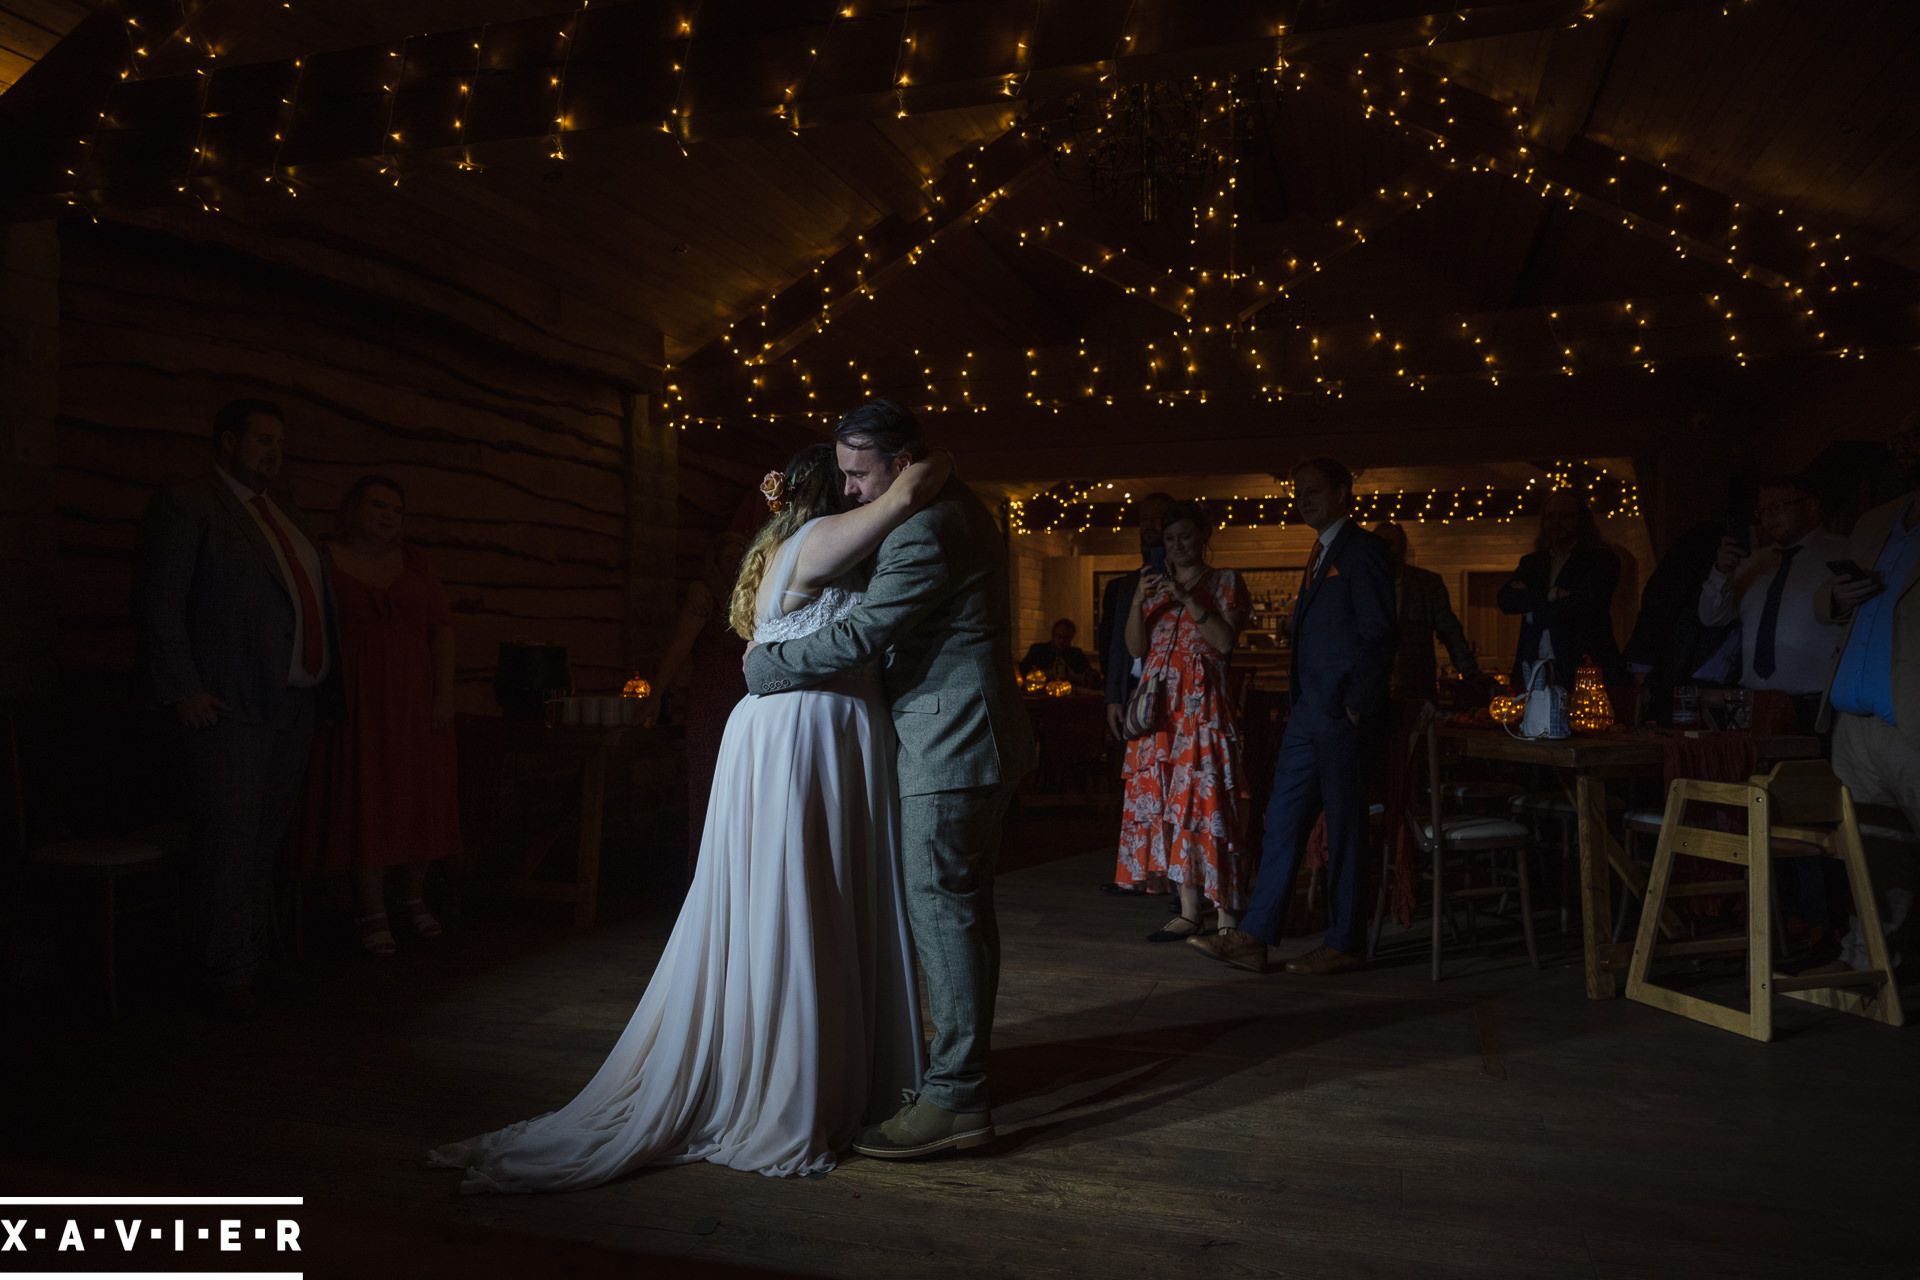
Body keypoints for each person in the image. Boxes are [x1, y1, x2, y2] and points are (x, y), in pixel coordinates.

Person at [426, 441, 951, 1191]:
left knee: (811, 898)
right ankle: (789, 1080)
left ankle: (821, 1061)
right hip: (805, 736)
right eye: (849, 478)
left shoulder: (782, 547)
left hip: (802, 732)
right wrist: (928, 460)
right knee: (800, 900)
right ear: (824, 493)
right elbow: (906, 497)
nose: (861, 487)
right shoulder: (815, 539)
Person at [743, 399, 1036, 1161]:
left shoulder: (929, 527)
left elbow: (866, 632)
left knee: (944, 914)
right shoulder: (942, 502)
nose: (847, 492)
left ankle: (956, 1102)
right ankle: (955, 1075)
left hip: (952, 742)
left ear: (900, 465)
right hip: (966, 734)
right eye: (839, 474)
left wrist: (769, 664)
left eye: (858, 474)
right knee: (956, 912)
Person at [133, 399, 341, 1020]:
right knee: (229, 840)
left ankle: (252, 960)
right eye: (262, 439)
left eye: (280, 442)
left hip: (293, 704)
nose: (273, 452)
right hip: (228, 704)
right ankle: (225, 977)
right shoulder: (189, 504)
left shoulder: (289, 516)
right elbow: (159, 601)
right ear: (227, 442)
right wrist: (182, 688)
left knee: (263, 843)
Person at [1190, 458, 1395, 976]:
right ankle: (1255, 937)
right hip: (1307, 713)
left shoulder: (1363, 551)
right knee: (1280, 820)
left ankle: (1344, 942)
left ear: (1344, 493)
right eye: (1298, 493)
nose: (1303, 501)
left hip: (1341, 714)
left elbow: (1378, 635)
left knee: (1345, 828)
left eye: (1314, 491)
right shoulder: (1318, 551)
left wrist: (1355, 707)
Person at [303, 476, 461, 957]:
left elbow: (441, 631)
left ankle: (412, 898)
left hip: (414, 700)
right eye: (378, 505)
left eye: (397, 508)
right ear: (352, 507)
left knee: (419, 798)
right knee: (366, 797)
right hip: (358, 699)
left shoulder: (414, 562)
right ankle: (371, 908)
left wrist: (443, 695)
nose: (389, 515)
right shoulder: (324, 559)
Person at [1113, 500, 1250, 939]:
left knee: (1208, 809)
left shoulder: (1226, 581)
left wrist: (1188, 597)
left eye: (1186, 536)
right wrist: (1139, 598)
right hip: (1159, 714)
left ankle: (1227, 916)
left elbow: (1224, 643)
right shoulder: (1152, 587)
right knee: (1171, 809)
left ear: (1204, 536)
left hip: (1201, 710)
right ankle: (1189, 911)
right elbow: (1136, 649)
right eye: (1170, 540)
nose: (1177, 546)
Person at [1816, 481, 1920, 971]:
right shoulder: (1877, 518)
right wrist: (1836, 596)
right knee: (1872, 860)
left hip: (1911, 719)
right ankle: (1871, 969)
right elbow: (1827, 605)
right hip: (1854, 720)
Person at [642, 523, 753, 868]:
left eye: (740, 557)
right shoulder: (704, 596)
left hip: (746, 699)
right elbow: (679, 647)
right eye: (728, 558)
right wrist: (655, 694)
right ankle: (702, 876)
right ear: (714, 563)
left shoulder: (751, 596)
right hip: (710, 701)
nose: (734, 564)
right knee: (706, 788)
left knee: (744, 790)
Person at [1700, 474, 1848, 729]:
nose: (1769, 517)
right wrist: (1721, 573)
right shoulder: (1754, 563)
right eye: (1763, 510)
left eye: (1779, 507)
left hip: (1819, 704)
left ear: (1811, 506)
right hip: (1753, 701)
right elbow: (1712, 617)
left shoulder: (1845, 552)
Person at [1498, 489, 1623, 690]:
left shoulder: (1600, 560)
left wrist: (1533, 612)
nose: (1556, 522)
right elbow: (1506, 600)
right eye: (1550, 516)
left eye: (1565, 515)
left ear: (1581, 520)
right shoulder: (1532, 563)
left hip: (1581, 664)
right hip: (1534, 666)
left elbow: (1586, 605)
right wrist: (1552, 595)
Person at [1373, 521, 1479, 705]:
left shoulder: (1426, 584)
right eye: (1379, 544)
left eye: (1390, 543)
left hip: (1415, 685)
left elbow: (1449, 630)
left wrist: (1471, 673)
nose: (1385, 550)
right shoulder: (1362, 586)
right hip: (1372, 687)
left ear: (1403, 547)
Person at [1099, 493, 1175, 740]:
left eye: (1157, 518)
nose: (1149, 525)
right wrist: (1112, 696)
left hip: (1172, 685)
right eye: (1144, 519)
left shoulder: (1181, 579)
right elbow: (1114, 646)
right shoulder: (1126, 585)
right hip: (1133, 686)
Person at [1019, 618, 1096, 687]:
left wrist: (1074, 677)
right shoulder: (1038, 650)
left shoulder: (1076, 654)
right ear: (1053, 635)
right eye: (1059, 636)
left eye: (1066, 638)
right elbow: (1023, 671)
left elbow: (1092, 676)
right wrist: (1045, 674)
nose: (1062, 641)